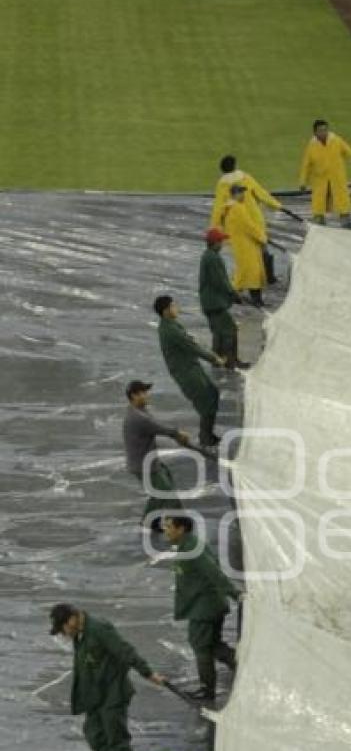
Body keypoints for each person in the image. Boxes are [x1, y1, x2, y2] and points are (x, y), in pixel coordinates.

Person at [49, 604, 166, 751]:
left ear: (71, 619)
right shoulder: (81, 634)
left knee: (116, 737)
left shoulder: (98, 629)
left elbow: (124, 650)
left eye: (62, 628)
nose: (63, 634)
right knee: (95, 734)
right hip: (95, 697)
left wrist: (148, 673)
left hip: (112, 693)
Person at [163, 513, 239, 702]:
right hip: (204, 605)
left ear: (181, 529)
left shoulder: (192, 548)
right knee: (213, 644)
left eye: (169, 527)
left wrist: (234, 593)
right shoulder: (185, 546)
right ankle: (240, 665)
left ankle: (207, 691)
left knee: (201, 647)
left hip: (204, 608)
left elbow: (214, 572)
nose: (165, 530)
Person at [154, 295, 225, 449]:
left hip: (191, 367)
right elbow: (192, 347)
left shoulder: (171, 325)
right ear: (166, 311)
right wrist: (214, 359)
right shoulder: (170, 329)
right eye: (173, 306)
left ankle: (207, 434)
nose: (176, 308)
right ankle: (206, 438)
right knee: (206, 401)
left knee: (212, 394)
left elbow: (187, 341)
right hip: (186, 373)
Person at [123, 379, 191, 530]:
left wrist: (176, 435)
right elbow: (159, 427)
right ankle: (181, 526)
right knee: (167, 495)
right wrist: (178, 434)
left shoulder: (139, 411)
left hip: (147, 462)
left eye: (146, 392)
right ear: (133, 396)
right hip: (144, 466)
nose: (147, 395)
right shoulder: (138, 417)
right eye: (143, 392)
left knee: (160, 492)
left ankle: (149, 522)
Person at [211, 153, 281, 285]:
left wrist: (214, 227)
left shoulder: (222, 185)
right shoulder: (245, 178)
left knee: (244, 254)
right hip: (254, 217)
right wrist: (277, 205)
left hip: (237, 223)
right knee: (262, 246)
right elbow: (261, 193)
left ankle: (244, 281)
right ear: (235, 165)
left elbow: (218, 207)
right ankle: (268, 276)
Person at [298, 118, 351, 228]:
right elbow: (306, 166)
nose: (323, 133)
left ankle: (347, 225)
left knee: (343, 204)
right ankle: (320, 227)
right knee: (319, 207)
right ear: (315, 132)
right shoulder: (311, 146)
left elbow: (350, 152)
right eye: (320, 131)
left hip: (337, 179)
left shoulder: (336, 141)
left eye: (325, 130)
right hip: (320, 181)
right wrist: (303, 182)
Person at [199, 228, 246, 367]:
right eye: (221, 241)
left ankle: (218, 360)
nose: (223, 244)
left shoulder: (208, 255)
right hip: (215, 303)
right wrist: (233, 294)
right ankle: (231, 362)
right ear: (215, 242)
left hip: (210, 302)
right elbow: (220, 281)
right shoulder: (213, 258)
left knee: (218, 332)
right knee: (229, 330)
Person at [221, 183, 268, 309]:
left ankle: (236, 294)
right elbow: (249, 226)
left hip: (240, 244)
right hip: (247, 244)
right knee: (253, 272)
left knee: (244, 271)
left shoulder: (229, 208)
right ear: (235, 194)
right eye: (241, 192)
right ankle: (255, 299)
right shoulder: (237, 208)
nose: (243, 195)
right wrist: (262, 237)